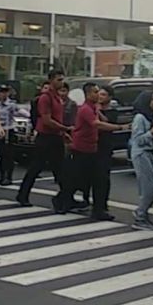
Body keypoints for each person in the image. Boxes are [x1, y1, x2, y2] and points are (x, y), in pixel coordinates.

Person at [54, 83, 126, 220]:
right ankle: (61, 201)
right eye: (95, 92)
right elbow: (97, 124)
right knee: (76, 179)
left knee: (98, 179)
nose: (98, 95)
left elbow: (103, 119)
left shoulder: (92, 108)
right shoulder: (85, 109)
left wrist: (98, 110)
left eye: (99, 92)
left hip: (91, 150)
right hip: (81, 150)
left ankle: (98, 210)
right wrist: (120, 127)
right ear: (87, 94)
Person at [17, 70, 72, 206]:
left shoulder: (57, 97)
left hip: (55, 136)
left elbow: (57, 117)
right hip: (46, 137)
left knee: (60, 169)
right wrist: (64, 128)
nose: (61, 82)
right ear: (51, 80)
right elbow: (46, 120)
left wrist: (63, 133)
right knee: (36, 167)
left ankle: (66, 198)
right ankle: (22, 195)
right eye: (58, 79)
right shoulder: (45, 98)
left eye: (62, 79)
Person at [128, 91, 153, 230]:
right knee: (147, 187)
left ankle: (141, 210)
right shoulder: (140, 118)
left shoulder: (152, 116)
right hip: (141, 153)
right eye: (152, 100)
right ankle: (140, 217)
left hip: (151, 153)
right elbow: (138, 140)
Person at [95, 85, 119, 213]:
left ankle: (103, 204)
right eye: (99, 94)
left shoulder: (112, 111)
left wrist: (98, 111)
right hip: (92, 145)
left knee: (104, 176)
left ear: (110, 97)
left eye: (103, 95)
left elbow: (108, 124)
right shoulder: (91, 109)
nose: (100, 96)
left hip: (105, 146)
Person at [0, 85, 17, 185]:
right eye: (1, 92)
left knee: (9, 155)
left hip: (9, 130)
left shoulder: (11, 104)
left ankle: (9, 177)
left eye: (5, 92)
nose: (3, 94)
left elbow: (17, 113)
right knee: (2, 155)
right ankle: (2, 176)